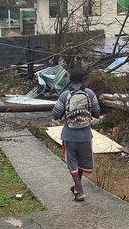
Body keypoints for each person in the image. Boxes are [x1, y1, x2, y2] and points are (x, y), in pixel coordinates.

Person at [51, 67, 100, 202]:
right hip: (86, 136)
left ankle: (80, 191)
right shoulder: (90, 93)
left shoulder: (65, 95)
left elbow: (56, 114)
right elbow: (97, 113)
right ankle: (77, 187)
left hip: (69, 136)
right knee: (82, 163)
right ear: (83, 79)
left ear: (70, 80)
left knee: (72, 163)